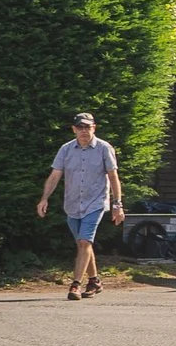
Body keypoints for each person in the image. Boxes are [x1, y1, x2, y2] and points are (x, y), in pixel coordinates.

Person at [38, 112, 124, 300]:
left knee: (84, 242)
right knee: (83, 244)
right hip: (72, 204)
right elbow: (55, 176)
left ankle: (75, 284)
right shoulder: (66, 149)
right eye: (80, 127)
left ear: (94, 128)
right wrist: (44, 198)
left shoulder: (104, 148)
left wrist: (118, 204)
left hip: (95, 203)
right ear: (74, 129)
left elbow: (113, 177)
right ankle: (94, 280)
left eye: (88, 127)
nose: (84, 131)